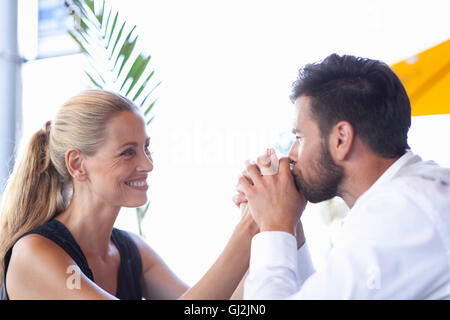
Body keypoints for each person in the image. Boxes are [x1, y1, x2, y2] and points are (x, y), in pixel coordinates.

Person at [0, 89, 257, 300]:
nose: (148, 165)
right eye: (127, 152)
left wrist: (261, 222)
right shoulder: (35, 253)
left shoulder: (133, 251)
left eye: (146, 148)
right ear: (78, 164)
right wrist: (247, 230)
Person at [235, 53, 450, 299]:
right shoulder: (406, 198)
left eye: (300, 138)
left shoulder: (400, 212)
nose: (291, 155)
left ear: (341, 139)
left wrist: (274, 227)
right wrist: (290, 229)